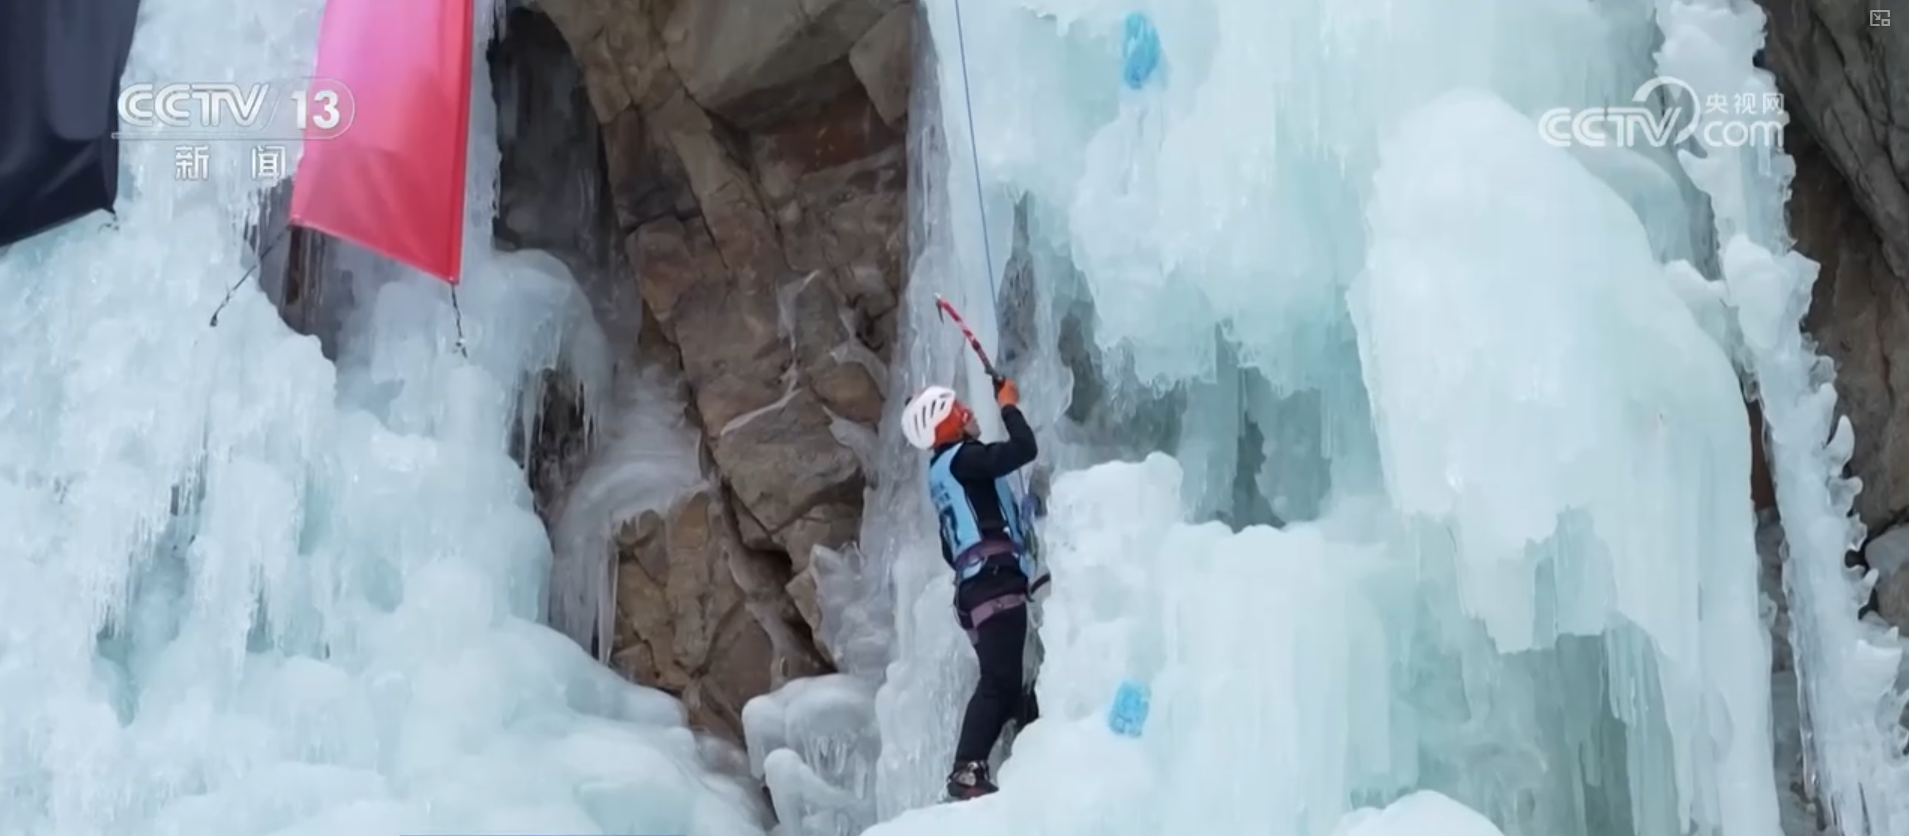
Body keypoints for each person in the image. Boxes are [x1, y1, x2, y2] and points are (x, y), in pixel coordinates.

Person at [901, 377, 1041, 801]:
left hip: (976, 589)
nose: (969, 411)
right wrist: (1009, 405)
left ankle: (1036, 749)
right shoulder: (964, 460)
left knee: (1012, 687)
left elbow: (951, 546)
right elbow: (1022, 450)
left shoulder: (943, 475)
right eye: (959, 408)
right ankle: (966, 771)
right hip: (994, 583)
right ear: (947, 425)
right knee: (999, 683)